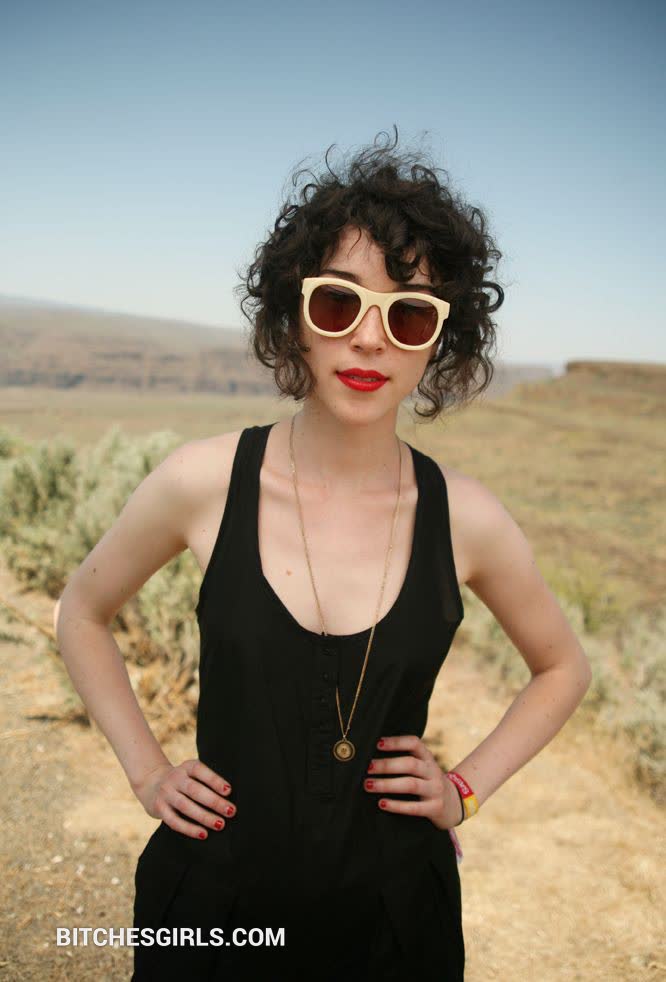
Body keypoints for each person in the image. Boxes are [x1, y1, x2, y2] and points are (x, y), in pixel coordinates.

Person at [55, 127, 592, 981]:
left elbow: (562, 668)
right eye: (338, 305)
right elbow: (82, 612)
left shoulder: (469, 519)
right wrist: (147, 772)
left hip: (394, 926)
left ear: (439, 341)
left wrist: (465, 787)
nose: (370, 341)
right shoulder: (201, 482)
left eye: (409, 314)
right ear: (294, 317)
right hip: (211, 914)